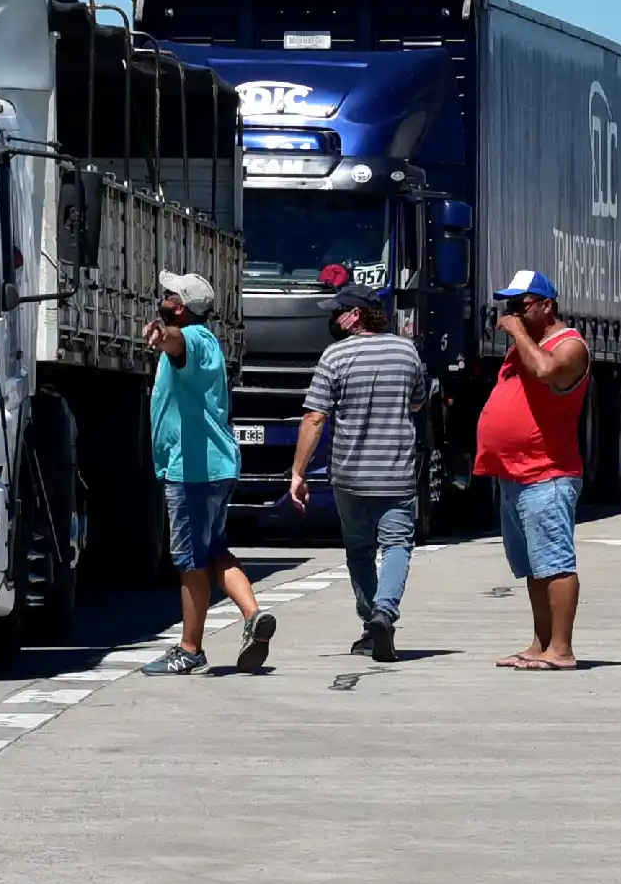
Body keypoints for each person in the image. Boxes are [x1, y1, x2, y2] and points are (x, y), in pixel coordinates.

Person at [140, 270, 277, 675]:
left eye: (168, 295)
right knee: (214, 549)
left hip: (192, 471)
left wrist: (163, 336)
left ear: (178, 306)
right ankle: (253, 615)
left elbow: (177, 343)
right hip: (217, 466)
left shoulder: (192, 339)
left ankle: (190, 648)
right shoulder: (210, 342)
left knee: (190, 561)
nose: (162, 298)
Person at [290, 285, 425, 663]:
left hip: (350, 474)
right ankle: (385, 611)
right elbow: (417, 402)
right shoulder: (406, 350)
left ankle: (371, 625)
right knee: (397, 545)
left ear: (356, 315)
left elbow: (315, 417)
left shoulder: (334, 356)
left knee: (360, 552)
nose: (333, 319)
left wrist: (298, 472)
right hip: (396, 470)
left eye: (338, 312)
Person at [474, 271, 590, 672]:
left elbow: (547, 372)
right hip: (514, 472)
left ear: (547, 305)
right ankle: (540, 643)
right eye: (509, 307)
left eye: (521, 306)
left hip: (548, 472)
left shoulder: (570, 346)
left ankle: (562, 648)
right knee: (532, 565)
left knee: (555, 561)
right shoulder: (527, 345)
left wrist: (519, 335)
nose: (512, 314)